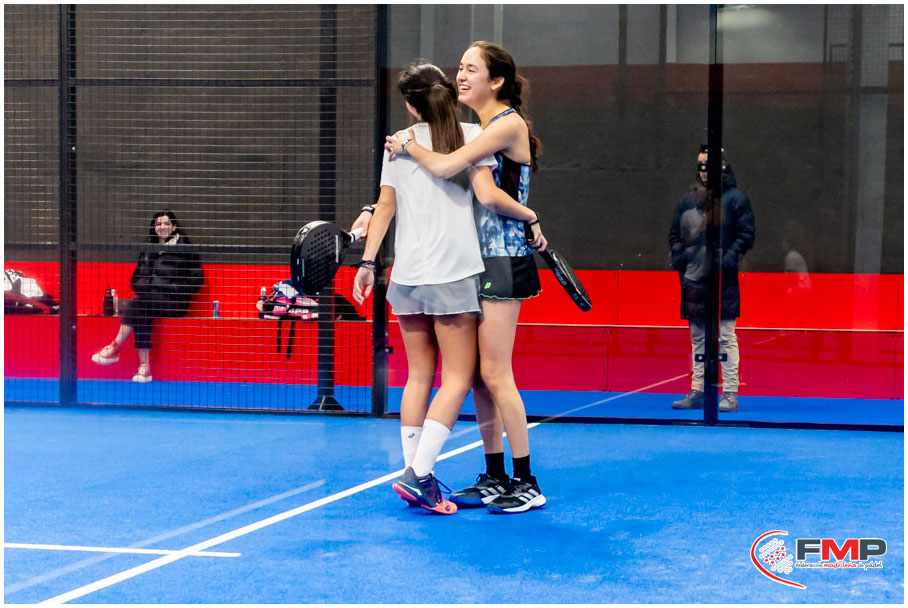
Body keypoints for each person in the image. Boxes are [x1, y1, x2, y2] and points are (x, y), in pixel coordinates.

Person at [353, 62, 544, 515]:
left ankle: (415, 472)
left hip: (406, 276)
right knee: (459, 376)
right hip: (454, 274)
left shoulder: (398, 142)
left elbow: (384, 207)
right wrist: (531, 217)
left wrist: (367, 262)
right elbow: (487, 195)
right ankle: (419, 474)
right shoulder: (471, 135)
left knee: (419, 376)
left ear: (410, 105)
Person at [669, 146, 755, 412]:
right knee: (698, 336)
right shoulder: (688, 200)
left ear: (722, 164)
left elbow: (745, 235)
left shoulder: (736, 199)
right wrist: (683, 260)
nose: (704, 170)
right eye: (700, 164)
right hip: (693, 279)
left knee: (725, 335)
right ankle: (698, 391)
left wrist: (724, 263)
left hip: (723, 280)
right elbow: (675, 235)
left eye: (709, 164)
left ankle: (729, 393)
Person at [91, 210, 203, 383]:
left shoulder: (184, 249)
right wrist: (144, 286)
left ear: (174, 226)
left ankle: (115, 346)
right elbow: (135, 279)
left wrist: (170, 288)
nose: (162, 227)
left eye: (166, 223)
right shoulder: (148, 248)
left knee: (138, 304)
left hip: (174, 302)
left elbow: (196, 279)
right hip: (148, 301)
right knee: (141, 310)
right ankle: (144, 368)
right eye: (158, 224)